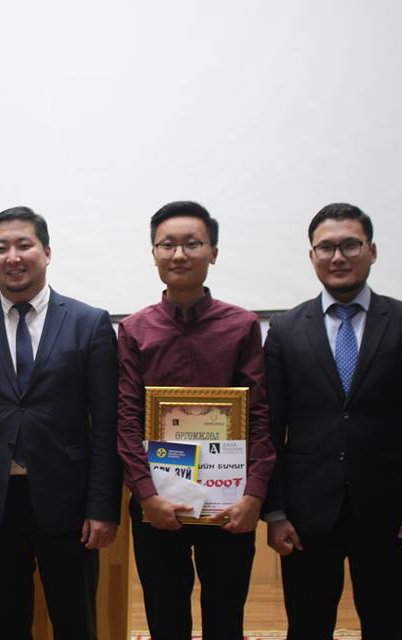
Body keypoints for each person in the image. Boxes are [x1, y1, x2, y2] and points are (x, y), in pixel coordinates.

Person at [263, 203, 402, 639]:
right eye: (326, 247)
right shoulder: (286, 329)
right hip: (307, 515)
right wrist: (275, 511)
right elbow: (271, 427)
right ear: (312, 256)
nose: (338, 257)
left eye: (350, 245)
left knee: (388, 627)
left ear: (372, 251)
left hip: (392, 511)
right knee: (307, 628)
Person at [0, 206, 122, 639]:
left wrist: (102, 506)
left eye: (24, 245)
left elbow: (105, 424)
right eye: (1, 248)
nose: (13, 257)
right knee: (3, 624)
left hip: (69, 502)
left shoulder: (88, 323)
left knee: (76, 623)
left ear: (47, 252)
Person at [117, 201, 275, 639]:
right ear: (154, 254)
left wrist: (254, 495)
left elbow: (259, 415)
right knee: (165, 619)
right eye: (167, 245)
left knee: (226, 619)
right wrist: (147, 496)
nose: (179, 255)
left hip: (229, 505)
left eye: (192, 244)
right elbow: (126, 419)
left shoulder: (242, 326)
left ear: (213, 252)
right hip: (157, 505)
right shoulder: (134, 330)